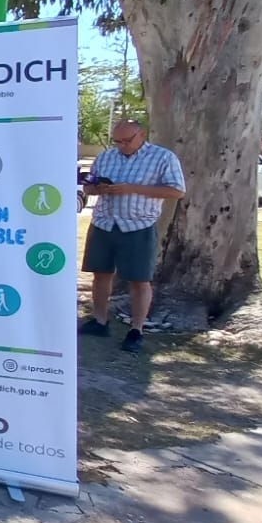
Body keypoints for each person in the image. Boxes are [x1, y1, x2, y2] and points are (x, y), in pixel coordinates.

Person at [79, 120, 186, 353]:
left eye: (127, 141)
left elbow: (177, 190)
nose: (122, 146)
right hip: (104, 222)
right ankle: (99, 321)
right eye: (117, 141)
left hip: (138, 225)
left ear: (141, 135)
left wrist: (133, 188)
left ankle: (136, 330)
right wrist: (97, 188)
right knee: (100, 274)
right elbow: (88, 186)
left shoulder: (162, 157)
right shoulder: (106, 157)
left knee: (139, 280)